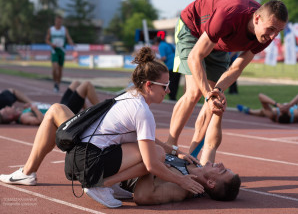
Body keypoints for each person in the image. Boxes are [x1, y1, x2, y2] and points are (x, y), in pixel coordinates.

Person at [0, 47, 203, 208]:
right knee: (155, 155)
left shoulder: (129, 95)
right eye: (164, 86)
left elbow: (145, 139)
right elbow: (151, 164)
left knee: (57, 109)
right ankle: (101, 185)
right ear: (149, 85)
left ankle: (29, 173)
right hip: (90, 162)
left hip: (81, 155)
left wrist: (176, 151)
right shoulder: (143, 112)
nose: (168, 90)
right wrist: (182, 181)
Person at [167, 0, 288, 166]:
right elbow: (195, 57)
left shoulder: (266, 35)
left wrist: (216, 91)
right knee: (194, 93)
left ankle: (192, 157)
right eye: (271, 29)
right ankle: (170, 147)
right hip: (193, 28)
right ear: (256, 19)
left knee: (214, 102)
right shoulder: (229, 14)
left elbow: (237, 67)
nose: (273, 37)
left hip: (220, 43)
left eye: (278, 31)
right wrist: (207, 93)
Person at [133, 156, 241, 205]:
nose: (221, 164)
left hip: (122, 166)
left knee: (158, 151)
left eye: (222, 171)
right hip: (131, 148)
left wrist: (153, 164)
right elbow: (211, 143)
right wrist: (174, 150)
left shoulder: (181, 189)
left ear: (211, 183)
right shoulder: (194, 162)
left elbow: (142, 196)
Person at [0, 81, 99, 125]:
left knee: (76, 83)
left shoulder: (22, 112)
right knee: (86, 85)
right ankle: (103, 112)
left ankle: (85, 113)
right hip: (64, 112)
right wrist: (34, 109)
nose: (8, 106)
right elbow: (40, 121)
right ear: (9, 116)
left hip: (61, 106)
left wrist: (28, 107)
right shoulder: (24, 118)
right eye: (5, 109)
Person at [45, 15, 74, 93]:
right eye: (57, 21)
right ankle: (55, 83)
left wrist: (71, 42)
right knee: (55, 68)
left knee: (60, 70)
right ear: (55, 21)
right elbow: (47, 40)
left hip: (62, 50)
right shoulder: (51, 30)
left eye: (60, 22)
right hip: (54, 50)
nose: (59, 23)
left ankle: (58, 83)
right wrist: (51, 44)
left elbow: (68, 37)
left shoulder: (64, 30)